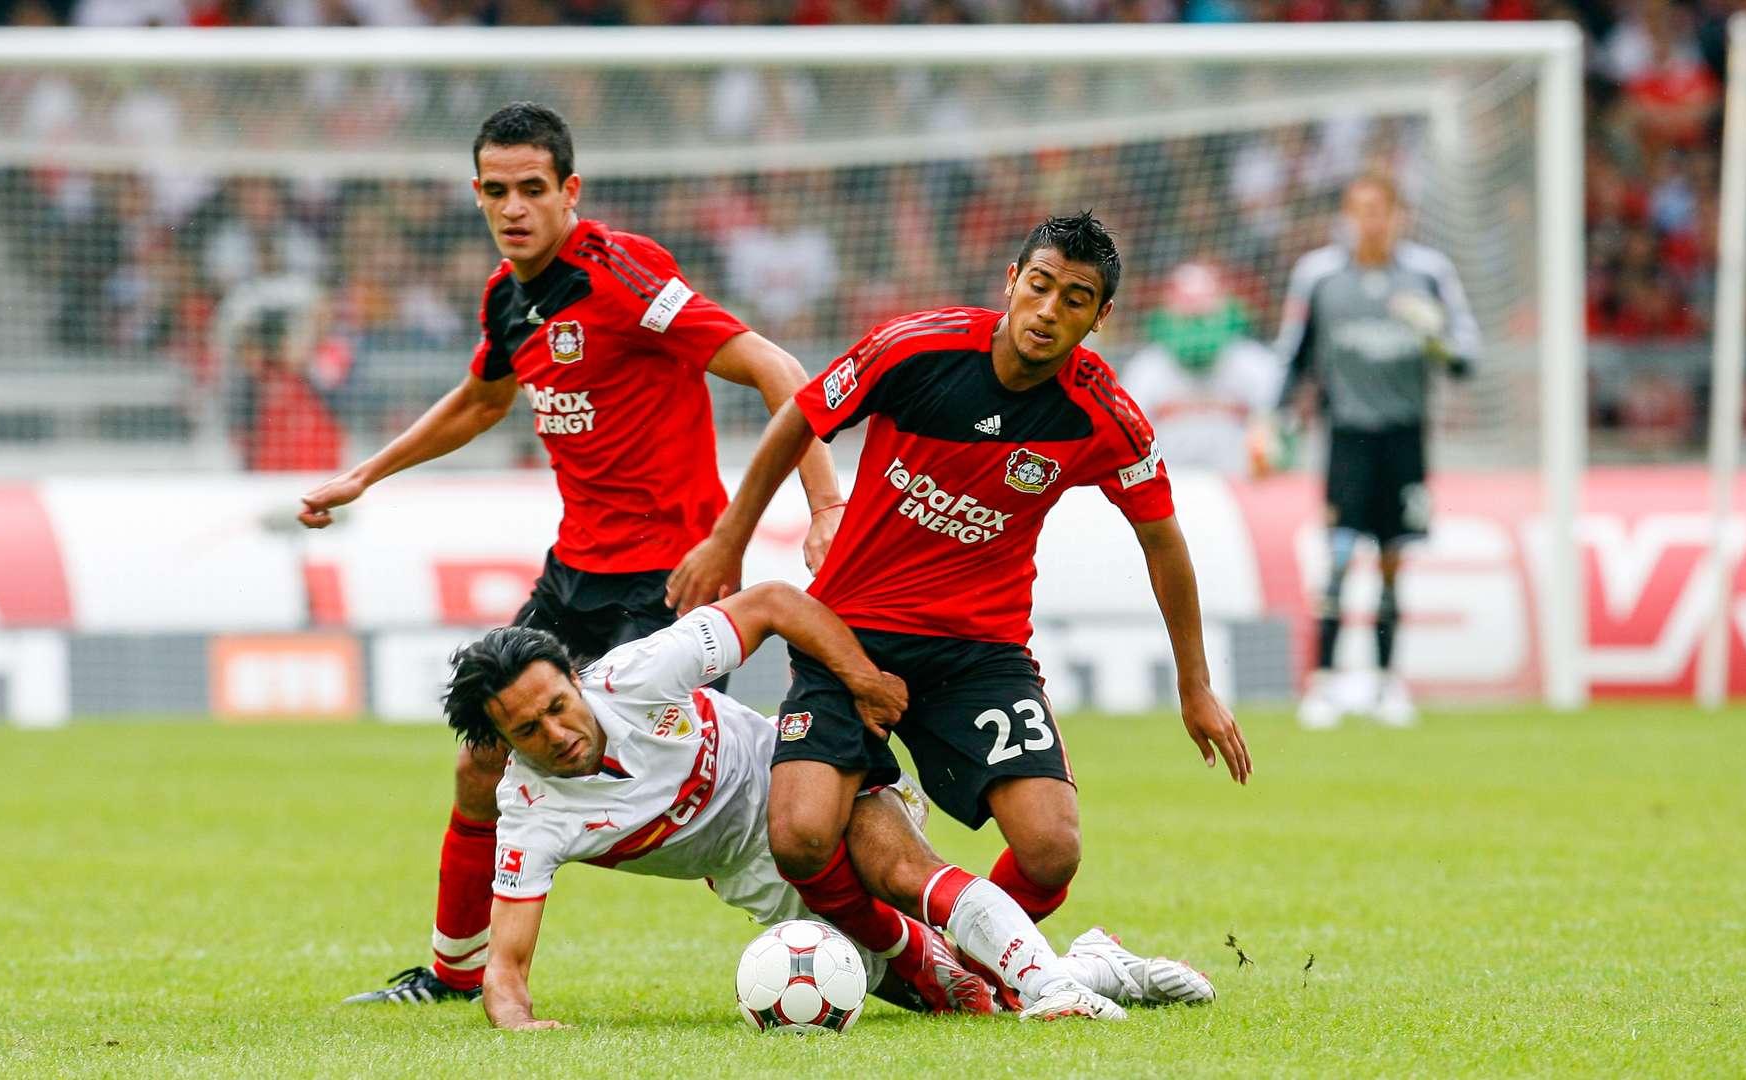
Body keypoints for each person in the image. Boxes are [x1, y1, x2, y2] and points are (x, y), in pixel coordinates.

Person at [307, 102, 846, 1004]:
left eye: (531, 190)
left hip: (673, 577)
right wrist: (368, 474)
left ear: (570, 192)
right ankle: (454, 972)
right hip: (574, 575)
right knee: (482, 758)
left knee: (667, 796)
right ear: (477, 195)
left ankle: (854, 926)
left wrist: (824, 499)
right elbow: (482, 402)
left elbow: (776, 368)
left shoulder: (626, 275)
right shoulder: (508, 296)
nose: (512, 208)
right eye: (495, 192)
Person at [667, 212, 1251, 1006]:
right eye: (1039, 286)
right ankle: (933, 968)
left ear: (1099, 317)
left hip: (979, 652)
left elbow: (1165, 543)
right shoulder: (917, 348)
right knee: (801, 840)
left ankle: (975, 969)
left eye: (1075, 299)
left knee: (1051, 850)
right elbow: (802, 416)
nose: (1049, 311)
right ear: (1012, 281)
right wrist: (731, 537)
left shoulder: (1102, 414)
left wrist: (1195, 685)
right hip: (851, 636)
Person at [450, 582, 1211, 1028]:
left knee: (904, 873)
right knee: (956, 997)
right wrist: (520, 1027)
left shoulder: (638, 675)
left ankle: (1054, 983)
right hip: (769, 887)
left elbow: (776, 602)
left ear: (574, 680)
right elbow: (507, 969)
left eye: (558, 704)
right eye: (528, 728)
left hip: (815, 782)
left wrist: (861, 678)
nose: (559, 732)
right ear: (501, 742)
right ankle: (1094, 967)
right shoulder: (532, 812)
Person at [1266, 174, 1480, 730]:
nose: (1371, 221)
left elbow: (1466, 355)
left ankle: (1387, 684)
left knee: (1391, 563)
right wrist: (1274, 418)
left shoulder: (1428, 274)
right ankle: (1324, 683)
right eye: (1360, 210)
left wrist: (1438, 341)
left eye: (1381, 210)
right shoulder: (1320, 276)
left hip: (1406, 436)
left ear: (1399, 216)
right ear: (1346, 214)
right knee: (1337, 560)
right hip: (1347, 436)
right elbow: (1295, 354)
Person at [1119, 261, 1284, 478]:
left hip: (1236, 489)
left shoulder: (1254, 364)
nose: (1196, 327)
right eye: (1188, 317)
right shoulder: (1146, 369)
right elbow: (1127, 444)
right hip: (1169, 491)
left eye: (1203, 317)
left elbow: (1271, 433)